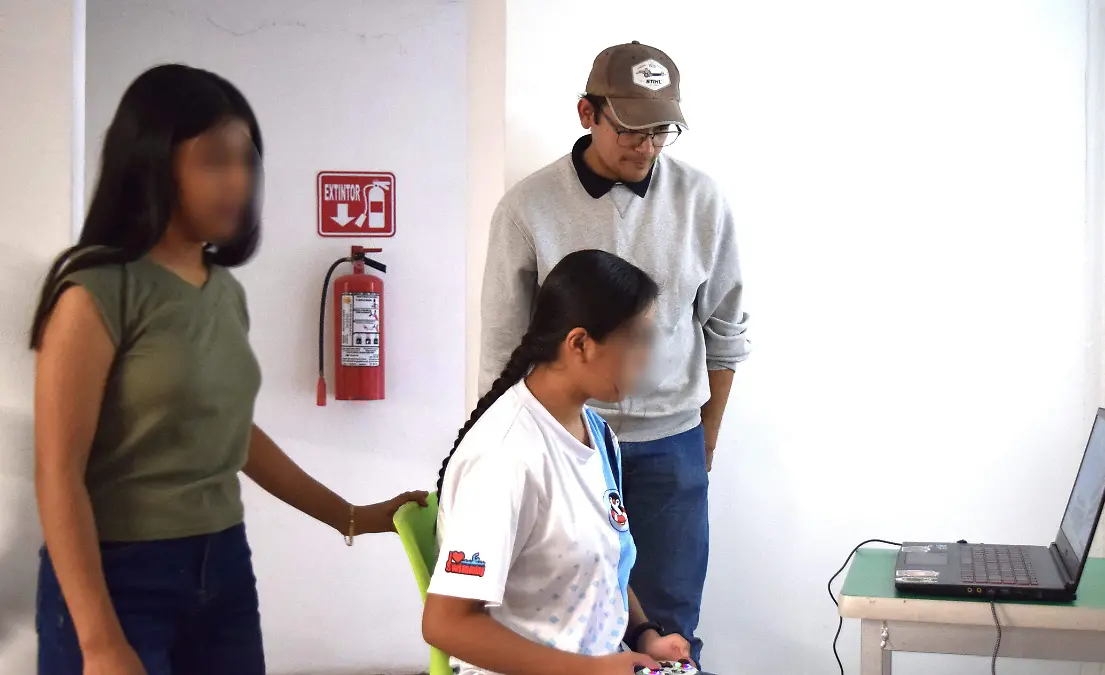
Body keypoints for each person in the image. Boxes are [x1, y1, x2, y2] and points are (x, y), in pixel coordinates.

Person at [29, 64, 427, 675]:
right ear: (152, 162)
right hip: (117, 577)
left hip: (222, 568)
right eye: (215, 159)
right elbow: (58, 473)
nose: (239, 180)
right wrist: (100, 640)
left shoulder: (222, 291)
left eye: (248, 159)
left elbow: (232, 433)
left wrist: (351, 515)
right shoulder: (96, 292)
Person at [478, 41, 750, 664]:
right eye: (629, 128)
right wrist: (504, 448)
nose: (645, 146)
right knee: (572, 623)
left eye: (661, 130)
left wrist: (703, 441)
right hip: (562, 445)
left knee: (671, 627)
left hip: (670, 445)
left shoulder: (702, 202)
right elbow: (502, 345)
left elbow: (727, 329)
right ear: (586, 113)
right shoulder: (527, 208)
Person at [424, 249, 699, 675]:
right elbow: (445, 624)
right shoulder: (507, 457)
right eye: (637, 338)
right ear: (580, 344)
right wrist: (593, 670)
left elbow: (603, 561)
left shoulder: (596, 433)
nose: (646, 355)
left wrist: (646, 635)